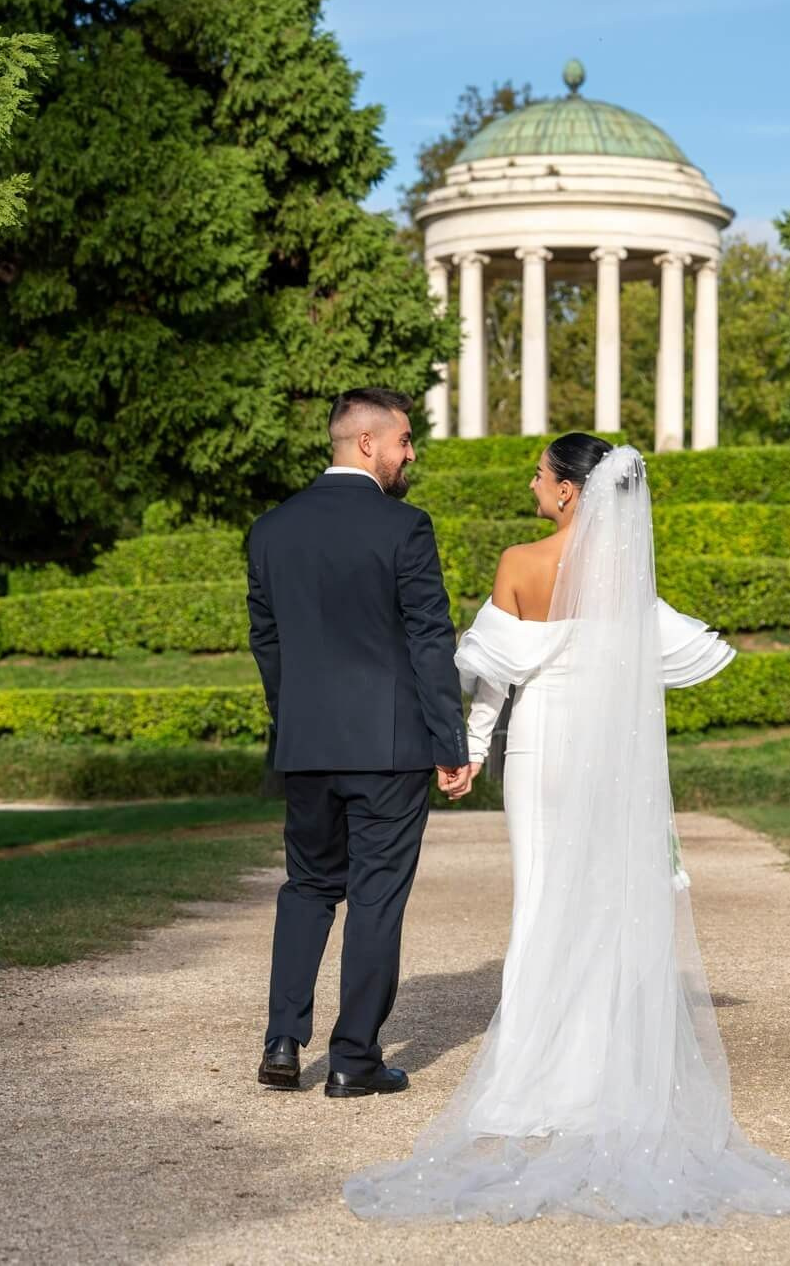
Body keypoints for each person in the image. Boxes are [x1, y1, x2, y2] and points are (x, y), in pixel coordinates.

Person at [344, 434, 790, 1224]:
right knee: (603, 905)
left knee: (540, 902)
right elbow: (689, 654)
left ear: (571, 491)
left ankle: (533, 1080)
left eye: (540, 472)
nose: (531, 480)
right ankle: (603, 1073)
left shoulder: (521, 562)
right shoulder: (625, 575)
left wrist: (464, 752)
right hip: (606, 754)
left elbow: (492, 679)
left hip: (542, 753)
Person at [245, 387, 476, 1100]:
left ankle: (283, 1039)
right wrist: (451, 740)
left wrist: (295, 724)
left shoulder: (270, 530)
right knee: (375, 895)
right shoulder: (406, 527)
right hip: (392, 745)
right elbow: (430, 637)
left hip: (307, 745)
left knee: (308, 886)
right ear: (368, 443)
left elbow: (269, 642)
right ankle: (354, 1059)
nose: (412, 454)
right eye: (406, 440)